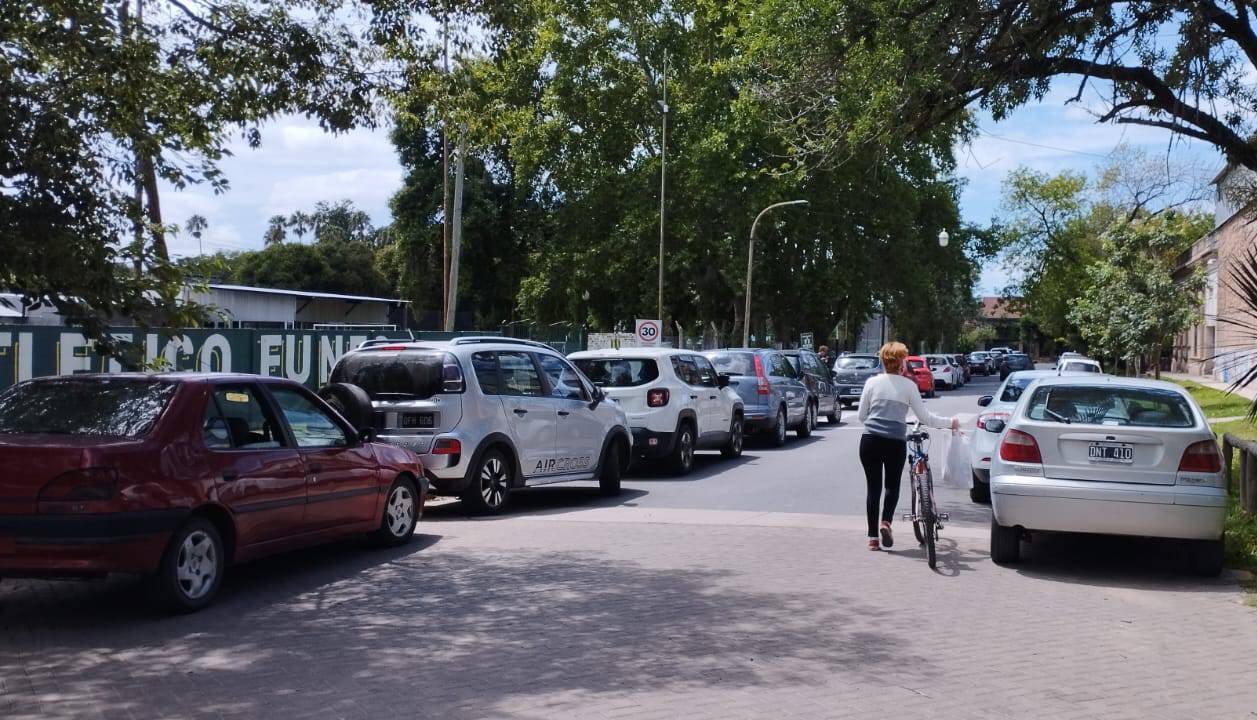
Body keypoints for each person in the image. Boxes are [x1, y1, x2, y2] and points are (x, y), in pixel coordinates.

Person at [856, 341, 958, 551]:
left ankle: (873, 538)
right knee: (892, 486)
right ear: (901, 363)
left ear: (883, 361)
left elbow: (861, 416)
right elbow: (925, 417)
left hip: (870, 441)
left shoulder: (872, 383)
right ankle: (886, 522)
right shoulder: (909, 386)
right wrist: (950, 423)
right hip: (894, 442)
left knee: (873, 489)